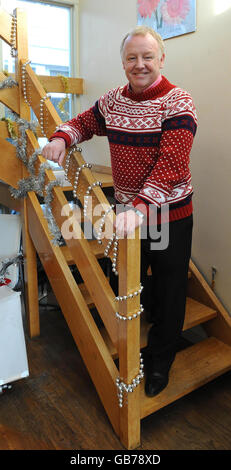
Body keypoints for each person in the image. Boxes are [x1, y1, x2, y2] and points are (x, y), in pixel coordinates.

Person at [42, 26, 197, 397]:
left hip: (168, 215)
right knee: (123, 276)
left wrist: (141, 207)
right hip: (127, 214)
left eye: (147, 57)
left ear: (161, 59)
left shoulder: (178, 101)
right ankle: (124, 342)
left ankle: (161, 360)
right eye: (132, 58)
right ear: (123, 62)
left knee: (170, 289)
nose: (139, 64)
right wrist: (63, 137)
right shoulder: (113, 101)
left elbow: (172, 164)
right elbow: (83, 122)